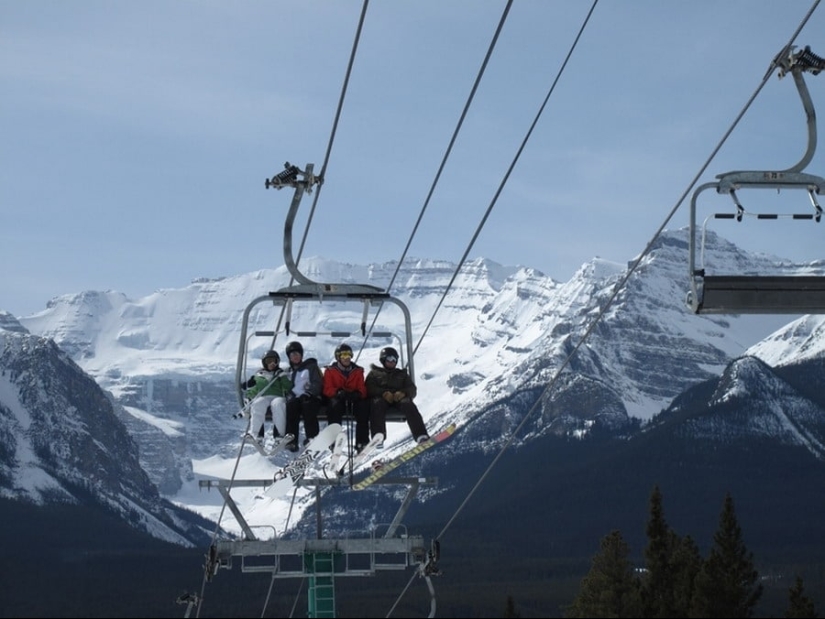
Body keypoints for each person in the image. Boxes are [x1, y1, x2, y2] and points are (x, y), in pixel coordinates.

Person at [365, 346, 429, 447]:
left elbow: (412, 389)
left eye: (394, 359)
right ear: (383, 360)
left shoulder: (402, 374)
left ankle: (421, 435)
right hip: (382, 399)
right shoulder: (375, 373)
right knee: (376, 404)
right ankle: (378, 437)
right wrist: (383, 393)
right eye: (389, 359)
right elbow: (369, 388)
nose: (392, 362)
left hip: (398, 399)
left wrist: (403, 393)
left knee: (408, 404)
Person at [322, 343, 370, 451]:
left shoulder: (357, 371)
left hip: (353, 399)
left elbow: (362, 388)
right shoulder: (330, 371)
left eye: (349, 355)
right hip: (338, 399)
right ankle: (334, 440)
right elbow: (327, 389)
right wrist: (337, 392)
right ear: (338, 357)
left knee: (363, 407)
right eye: (343, 355)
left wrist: (358, 394)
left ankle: (362, 441)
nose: (346, 358)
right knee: (334, 407)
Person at [241, 350, 292, 442]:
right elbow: (255, 389)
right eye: (269, 361)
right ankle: (256, 434)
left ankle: (280, 434)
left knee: (277, 405)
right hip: (264, 397)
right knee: (257, 404)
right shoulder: (259, 375)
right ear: (264, 363)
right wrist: (249, 394)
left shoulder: (281, 374)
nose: (272, 363)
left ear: (277, 362)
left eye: (274, 361)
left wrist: (282, 377)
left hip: (278, 396)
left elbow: (289, 387)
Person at [283, 340, 324, 451]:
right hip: (296, 399)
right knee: (291, 408)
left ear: (301, 355)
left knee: (308, 407)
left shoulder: (310, 367)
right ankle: (291, 441)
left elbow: (317, 382)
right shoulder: (287, 372)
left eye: (297, 354)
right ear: (289, 357)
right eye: (292, 355)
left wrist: (310, 393)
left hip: (311, 397)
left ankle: (312, 437)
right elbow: (285, 386)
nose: (295, 357)